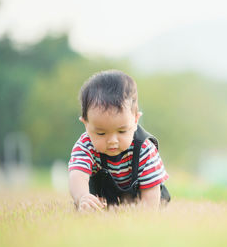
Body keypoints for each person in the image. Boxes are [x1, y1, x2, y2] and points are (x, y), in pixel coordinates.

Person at [68, 70, 169, 212]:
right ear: (86, 123)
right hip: (104, 199)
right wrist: (82, 196)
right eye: (101, 133)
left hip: (144, 197)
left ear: (135, 120)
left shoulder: (144, 148)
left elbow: (151, 191)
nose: (112, 141)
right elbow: (77, 175)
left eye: (122, 131)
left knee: (157, 202)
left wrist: (146, 215)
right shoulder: (86, 145)